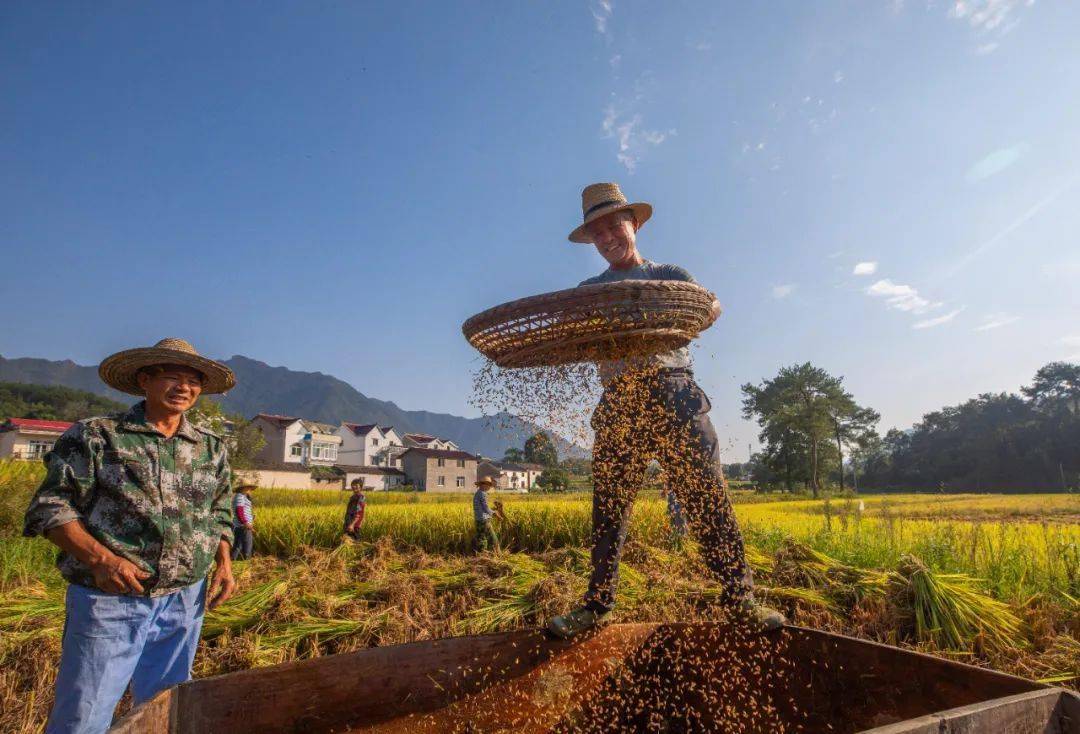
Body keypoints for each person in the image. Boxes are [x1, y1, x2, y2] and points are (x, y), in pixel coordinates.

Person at [548, 184, 784, 640]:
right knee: (609, 509)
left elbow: (709, 304)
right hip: (620, 399)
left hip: (675, 394)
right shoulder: (589, 292)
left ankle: (740, 601)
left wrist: (705, 308)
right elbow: (570, 334)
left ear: (633, 224)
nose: (607, 236)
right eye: (597, 232)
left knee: (707, 499)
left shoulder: (668, 274)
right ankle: (597, 606)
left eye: (614, 224)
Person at [23, 338, 238, 734]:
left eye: (193, 380)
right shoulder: (99, 436)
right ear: (145, 380)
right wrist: (101, 559)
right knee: (84, 714)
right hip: (112, 598)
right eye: (172, 376)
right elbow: (51, 507)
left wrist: (223, 563)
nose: (184, 387)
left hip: (184, 599)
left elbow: (221, 510)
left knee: (167, 708)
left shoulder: (210, 446)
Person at [473, 477, 500, 552]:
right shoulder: (482, 494)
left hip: (478, 520)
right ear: (483, 485)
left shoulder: (477, 493)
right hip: (484, 520)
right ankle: (497, 553)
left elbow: (483, 507)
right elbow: (486, 508)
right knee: (493, 537)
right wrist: (495, 513)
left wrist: (492, 509)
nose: (489, 487)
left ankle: (482, 555)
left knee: (481, 538)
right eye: (489, 485)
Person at [231, 481, 257, 560]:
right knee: (247, 545)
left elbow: (243, 510)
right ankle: (246, 562)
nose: (250, 490)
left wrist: (251, 517)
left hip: (240, 525)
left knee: (238, 545)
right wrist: (246, 523)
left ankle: (232, 560)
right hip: (243, 526)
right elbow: (239, 510)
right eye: (248, 488)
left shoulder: (242, 496)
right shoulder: (240, 496)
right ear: (243, 488)